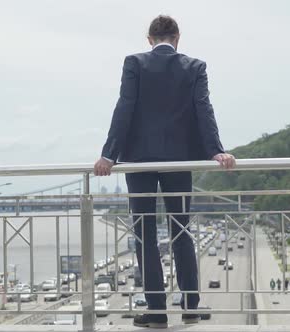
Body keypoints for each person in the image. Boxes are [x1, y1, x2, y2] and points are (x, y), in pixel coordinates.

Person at [94, 15, 236, 329]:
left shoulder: (134, 63)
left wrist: (108, 155)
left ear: (149, 39)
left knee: (144, 235)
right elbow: (203, 107)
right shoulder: (195, 67)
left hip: (140, 162)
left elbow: (125, 107)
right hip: (178, 162)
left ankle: (157, 311)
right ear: (177, 38)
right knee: (181, 232)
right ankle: (189, 307)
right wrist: (216, 150)